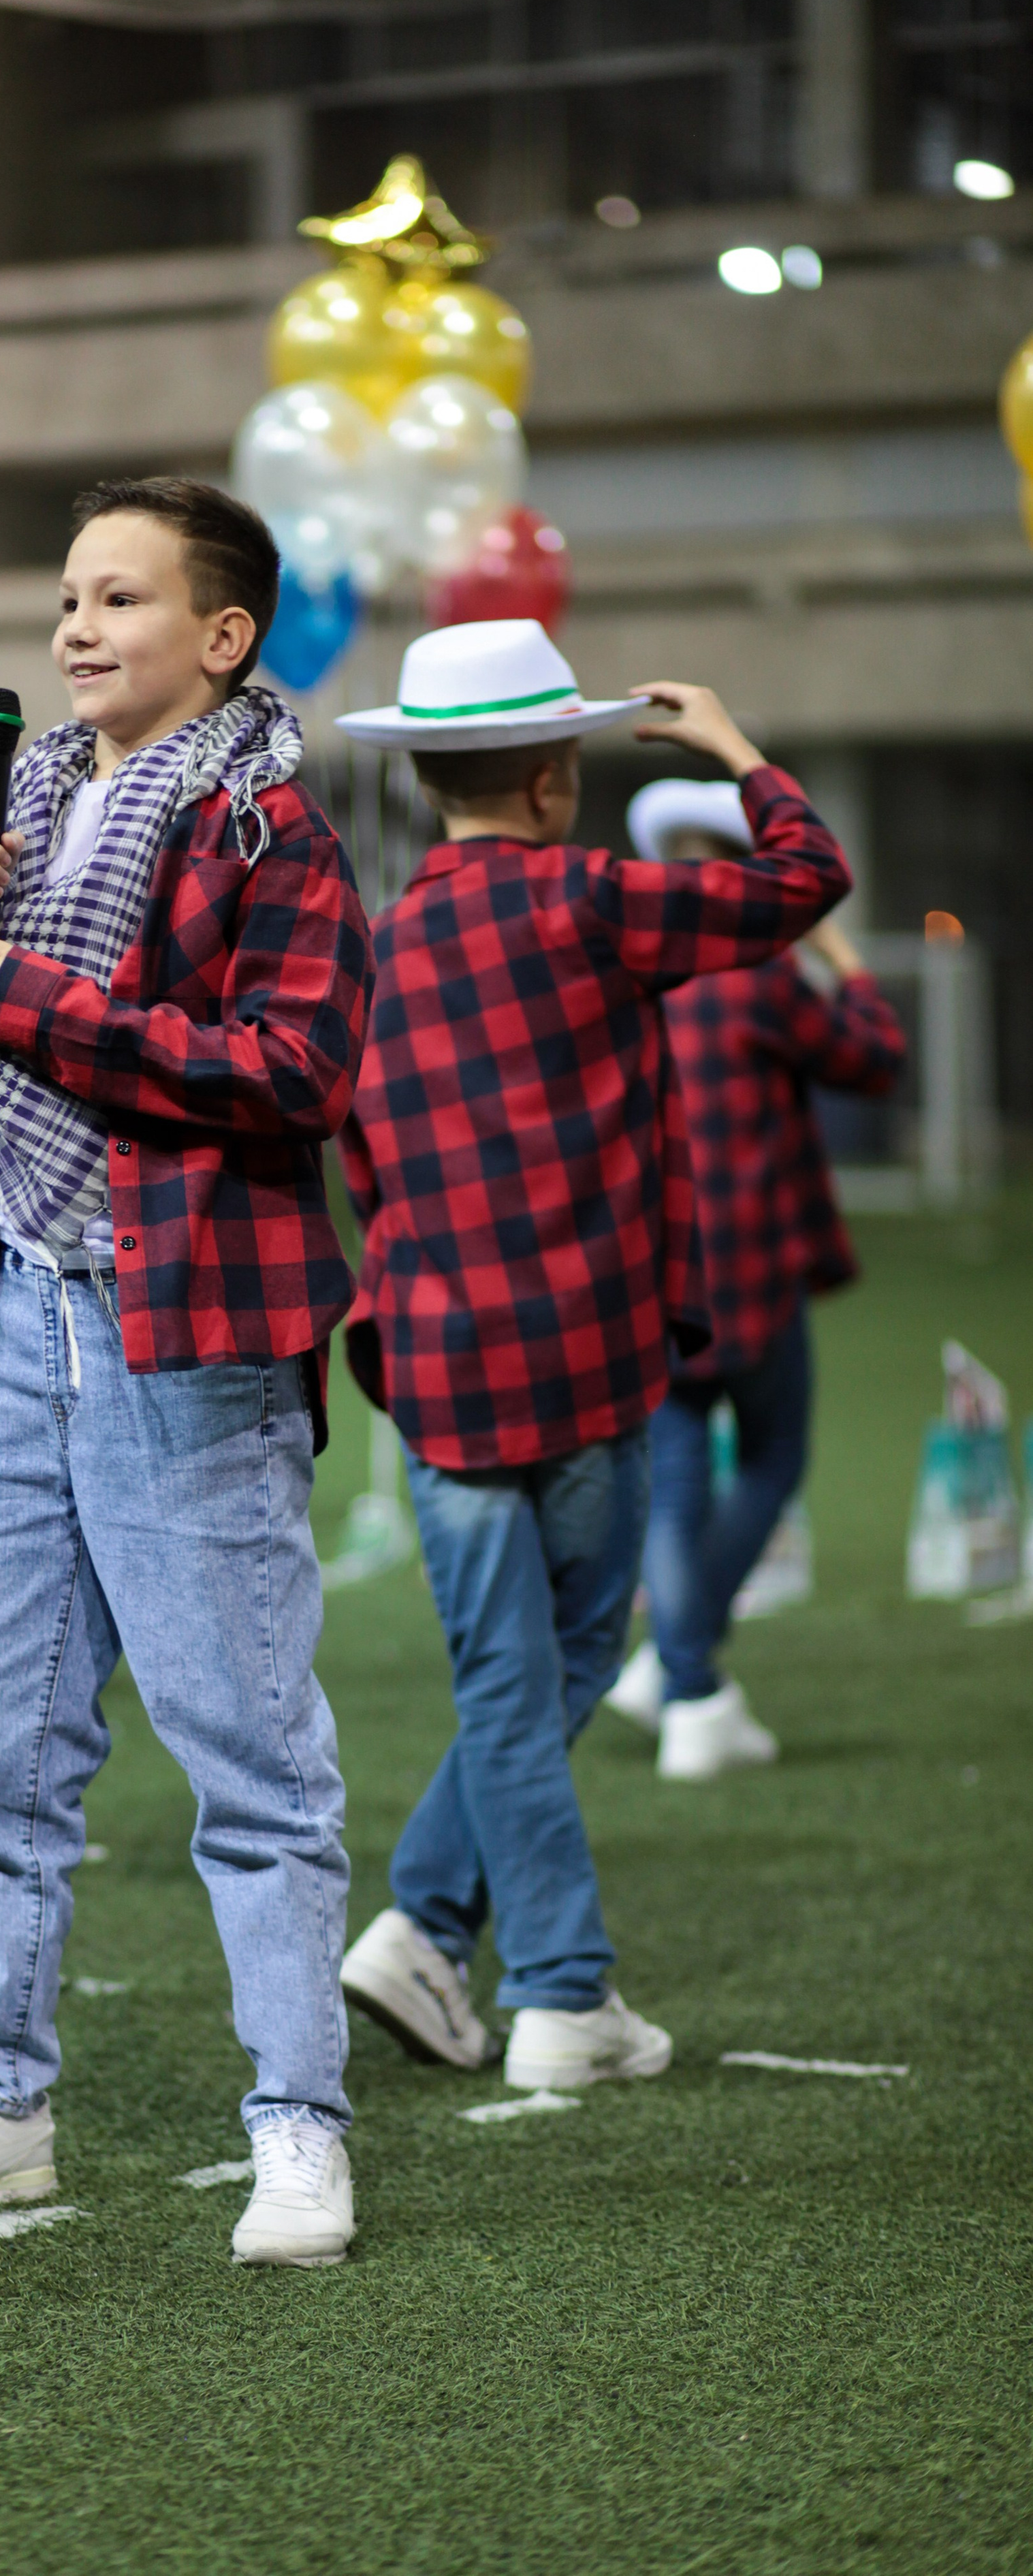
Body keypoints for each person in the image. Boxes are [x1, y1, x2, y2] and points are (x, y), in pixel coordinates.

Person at [0, 477, 375, 2266]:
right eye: (69, 597)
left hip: (189, 1336)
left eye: (120, 601)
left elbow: (293, 1073)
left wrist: (37, 1003)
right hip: (2, 1319)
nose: (74, 629)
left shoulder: (270, 828)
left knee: (252, 1758)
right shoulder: (14, 810)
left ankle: (299, 2126)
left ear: (222, 641)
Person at [332, 622, 851, 2091]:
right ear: (556, 779)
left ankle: (427, 1928)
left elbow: (361, 1166)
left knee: (513, 1682)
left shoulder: (368, 954)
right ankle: (556, 1996)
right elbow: (808, 886)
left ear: (426, 775)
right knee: (559, 1665)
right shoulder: (593, 902)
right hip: (586, 1361)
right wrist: (738, 754)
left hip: (435, 1371)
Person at [603, 778, 906, 1777]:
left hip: (652, 1273)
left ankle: (672, 1670)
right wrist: (845, 962)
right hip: (752, 1269)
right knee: (773, 1460)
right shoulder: (762, 975)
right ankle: (689, 1682)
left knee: (676, 1490)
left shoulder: (628, 972)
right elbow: (874, 1060)